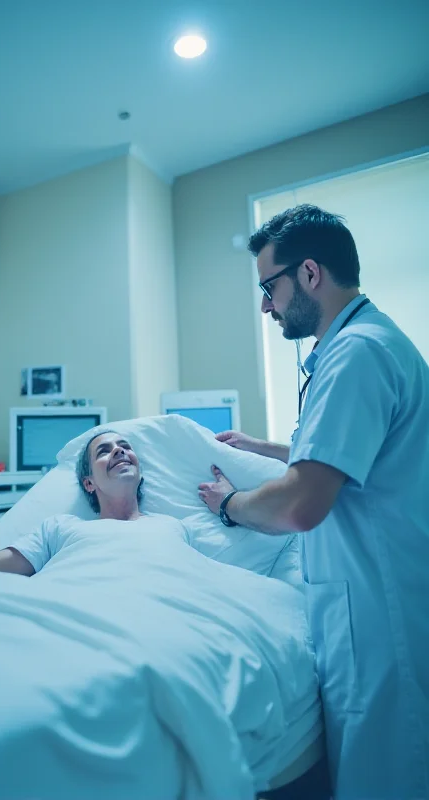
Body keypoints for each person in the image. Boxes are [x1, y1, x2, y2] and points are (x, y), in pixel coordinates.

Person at [198, 204, 429, 800]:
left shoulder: (356, 355)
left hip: (380, 619)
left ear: (308, 273)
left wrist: (230, 504)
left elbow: (301, 505)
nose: (266, 305)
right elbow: (349, 453)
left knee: (385, 780)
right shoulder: (369, 342)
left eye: (268, 287)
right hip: (374, 603)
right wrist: (266, 447)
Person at [0, 431, 186, 585]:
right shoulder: (63, 528)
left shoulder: (172, 527)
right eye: (104, 451)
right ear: (89, 484)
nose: (119, 450)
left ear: (140, 471)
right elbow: (4, 562)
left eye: (125, 447)